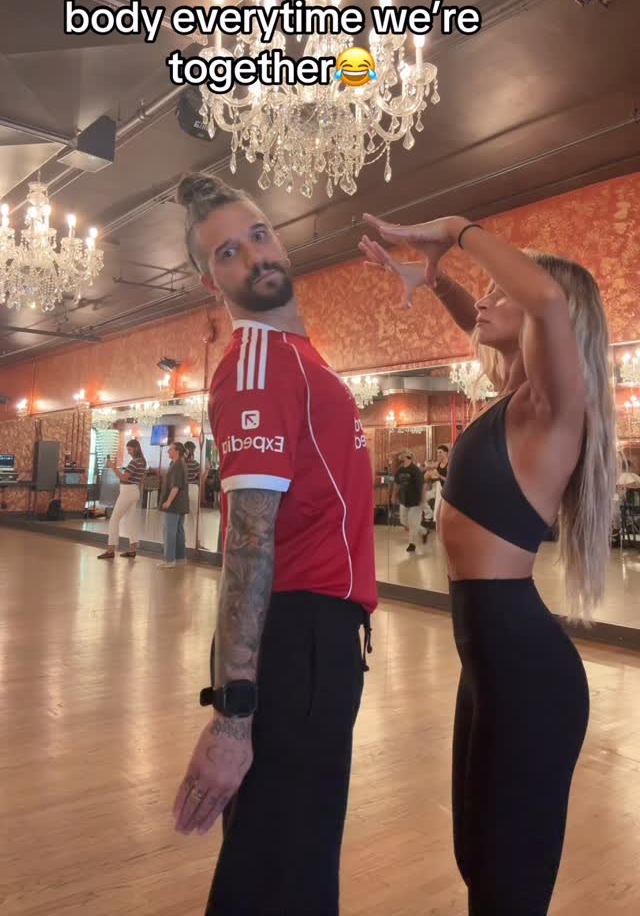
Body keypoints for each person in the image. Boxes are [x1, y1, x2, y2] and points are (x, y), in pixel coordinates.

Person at [360, 212, 616, 915]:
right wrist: (437, 282)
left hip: (529, 674)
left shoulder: (554, 410)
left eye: (504, 292)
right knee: (476, 854)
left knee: (509, 879)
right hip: (489, 664)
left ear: (546, 321)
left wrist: (454, 230)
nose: (487, 299)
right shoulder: (513, 399)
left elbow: (546, 298)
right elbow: (489, 316)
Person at [172, 174, 377, 916]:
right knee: (279, 871)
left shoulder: (299, 357)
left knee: (294, 862)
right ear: (210, 281)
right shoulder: (257, 362)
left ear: (279, 239)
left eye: (257, 235)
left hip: (322, 640)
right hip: (294, 640)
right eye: (227, 252)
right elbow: (249, 542)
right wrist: (234, 716)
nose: (253, 255)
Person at [97, 438, 146, 559]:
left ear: (136, 448)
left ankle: (111, 550)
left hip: (127, 491)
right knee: (130, 521)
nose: (128, 452)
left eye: (129, 449)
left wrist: (113, 467)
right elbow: (140, 479)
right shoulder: (142, 461)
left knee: (114, 519)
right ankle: (133, 549)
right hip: (134, 490)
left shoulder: (134, 462)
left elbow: (124, 478)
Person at [158, 441, 190, 568]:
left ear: (177, 451)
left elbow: (176, 486)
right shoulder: (179, 464)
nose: (168, 451)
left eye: (170, 449)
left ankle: (169, 559)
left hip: (175, 503)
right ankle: (180, 558)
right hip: (181, 503)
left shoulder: (177, 465)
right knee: (179, 530)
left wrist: (168, 501)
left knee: (169, 531)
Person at [393, 451, 425, 552]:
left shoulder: (415, 470)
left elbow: (423, 485)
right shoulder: (400, 470)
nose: (400, 456)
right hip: (403, 500)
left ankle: (412, 544)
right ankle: (424, 531)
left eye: (402, 454)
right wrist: (393, 495)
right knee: (403, 521)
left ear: (407, 457)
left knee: (413, 523)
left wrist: (423, 500)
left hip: (415, 501)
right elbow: (396, 483)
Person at [183, 440, 202, 549]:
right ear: (193, 450)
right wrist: (206, 470)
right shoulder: (195, 464)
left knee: (185, 517)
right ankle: (196, 541)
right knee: (196, 517)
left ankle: (185, 539)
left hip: (183, 490)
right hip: (193, 489)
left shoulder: (180, 463)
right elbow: (200, 480)